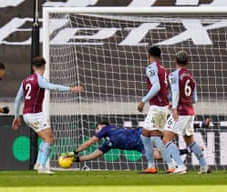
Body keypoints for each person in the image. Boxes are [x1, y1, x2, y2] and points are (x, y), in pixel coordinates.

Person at [12, 56, 84, 174]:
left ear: (33, 67)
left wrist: (16, 116)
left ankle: (38, 163)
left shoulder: (25, 80)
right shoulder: (40, 79)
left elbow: (18, 98)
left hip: (26, 115)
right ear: (44, 67)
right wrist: (71, 89)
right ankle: (42, 166)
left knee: (46, 138)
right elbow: (52, 87)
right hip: (35, 114)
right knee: (49, 138)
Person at [64, 120, 209, 164]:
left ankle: (199, 124)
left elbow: (89, 143)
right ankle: (188, 150)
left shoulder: (106, 129)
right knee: (159, 156)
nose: (97, 130)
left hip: (141, 134)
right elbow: (95, 154)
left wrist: (75, 152)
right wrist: (78, 159)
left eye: (97, 128)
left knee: (167, 132)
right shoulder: (107, 143)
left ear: (102, 126)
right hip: (139, 147)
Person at [163, 51, 210, 174]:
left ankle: (180, 166)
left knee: (167, 139)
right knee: (190, 141)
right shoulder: (191, 78)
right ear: (188, 61)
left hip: (180, 111)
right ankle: (204, 166)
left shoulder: (173, 75)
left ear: (175, 60)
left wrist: (174, 107)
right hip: (190, 111)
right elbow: (194, 99)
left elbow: (175, 91)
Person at [137, 46, 175, 173]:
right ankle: (151, 166)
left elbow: (157, 86)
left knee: (154, 138)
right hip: (159, 106)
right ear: (160, 56)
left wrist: (143, 100)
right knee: (144, 136)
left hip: (158, 108)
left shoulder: (151, 68)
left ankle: (171, 165)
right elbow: (168, 89)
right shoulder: (164, 70)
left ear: (149, 56)